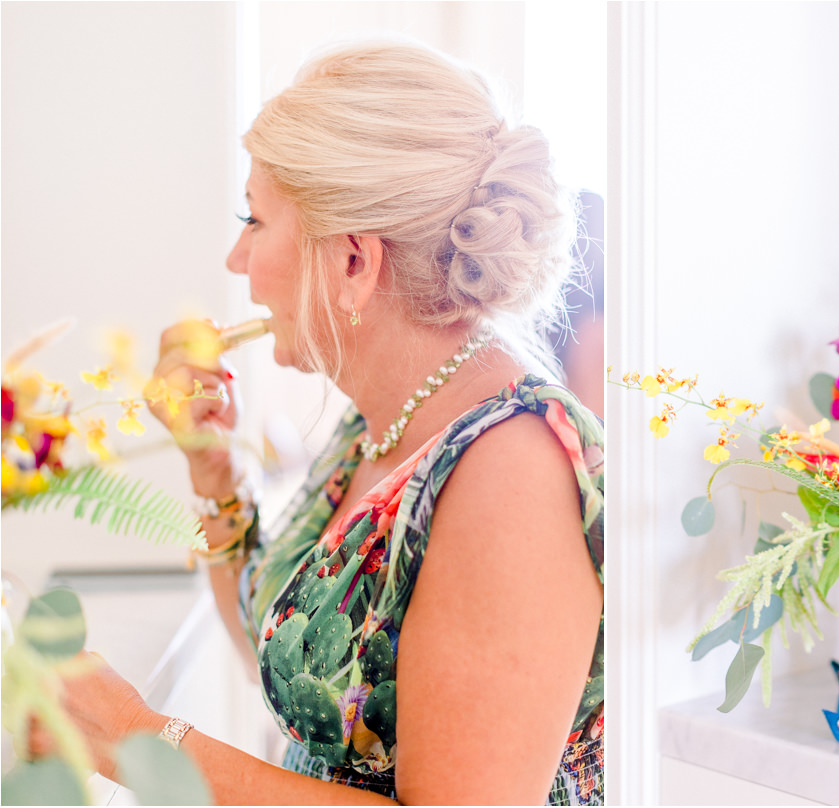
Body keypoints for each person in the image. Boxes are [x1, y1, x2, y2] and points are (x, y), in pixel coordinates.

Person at [29, 39, 604, 805]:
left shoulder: (510, 471)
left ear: (353, 263)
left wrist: (133, 735)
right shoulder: (381, 424)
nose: (238, 260)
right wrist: (213, 470)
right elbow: (283, 659)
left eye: (255, 220)